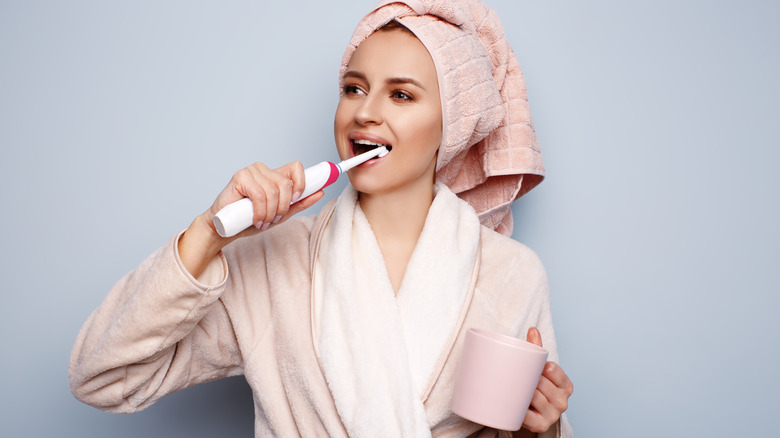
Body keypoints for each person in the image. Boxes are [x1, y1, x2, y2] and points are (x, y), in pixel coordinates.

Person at [69, 1, 574, 436]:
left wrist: (542, 427)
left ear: (455, 126)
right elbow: (102, 377)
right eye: (354, 88)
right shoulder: (272, 260)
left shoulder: (513, 273)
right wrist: (207, 234)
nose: (364, 113)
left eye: (401, 95)